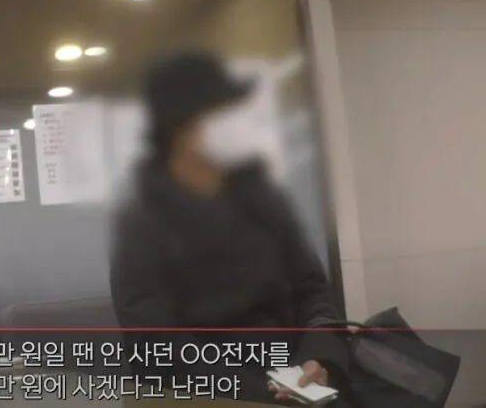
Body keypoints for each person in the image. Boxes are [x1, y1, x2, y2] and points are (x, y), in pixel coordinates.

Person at [110, 51, 350, 405]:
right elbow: (153, 340)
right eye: (220, 113)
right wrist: (260, 393)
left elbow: (312, 290)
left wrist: (318, 359)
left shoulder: (263, 199)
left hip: (296, 383)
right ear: (180, 129)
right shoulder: (143, 220)